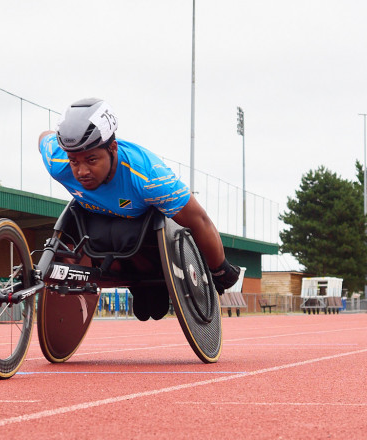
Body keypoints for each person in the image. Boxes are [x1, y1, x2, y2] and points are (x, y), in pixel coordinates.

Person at [38, 98, 241, 321]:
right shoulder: (57, 161)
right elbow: (44, 137)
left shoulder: (149, 178)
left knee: (151, 302)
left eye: (91, 159)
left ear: (112, 148)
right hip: (95, 226)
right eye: (74, 161)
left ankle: (150, 281)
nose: (81, 171)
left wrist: (220, 269)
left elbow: (199, 221)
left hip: (144, 234)